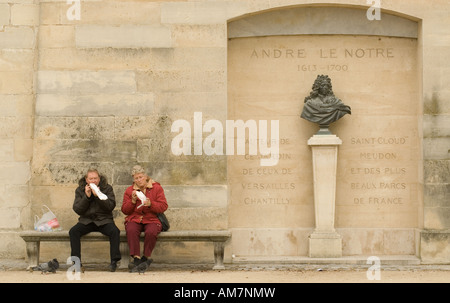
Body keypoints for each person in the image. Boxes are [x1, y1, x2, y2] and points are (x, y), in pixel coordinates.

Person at [69, 168, 121, 272]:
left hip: (104, 220)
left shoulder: (107, 188)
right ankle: (76, 263)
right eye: (91, 178)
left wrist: (98, 195)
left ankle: (114, 262)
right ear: (86, 179)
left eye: (95, 178)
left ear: (99, 178)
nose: (93, 181)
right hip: (86, 221)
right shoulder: (80, 190)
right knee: (73, 231)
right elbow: (77, 209)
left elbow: (110, 206)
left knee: (115, 231)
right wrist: (86, 197)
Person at [121, 165, 168, 271]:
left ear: (146, 176)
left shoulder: (156, 188)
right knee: (131, 229)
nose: (139, 180)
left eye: (141, 177)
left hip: (152, 218)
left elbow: (163, 206)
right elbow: (125, 210)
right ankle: (136, 258)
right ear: (134, 179)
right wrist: (132, 202)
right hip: (135, 218)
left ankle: (146, 257)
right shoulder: (129, 190)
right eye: (136, 178)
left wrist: (151, 204)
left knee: (151, 231)